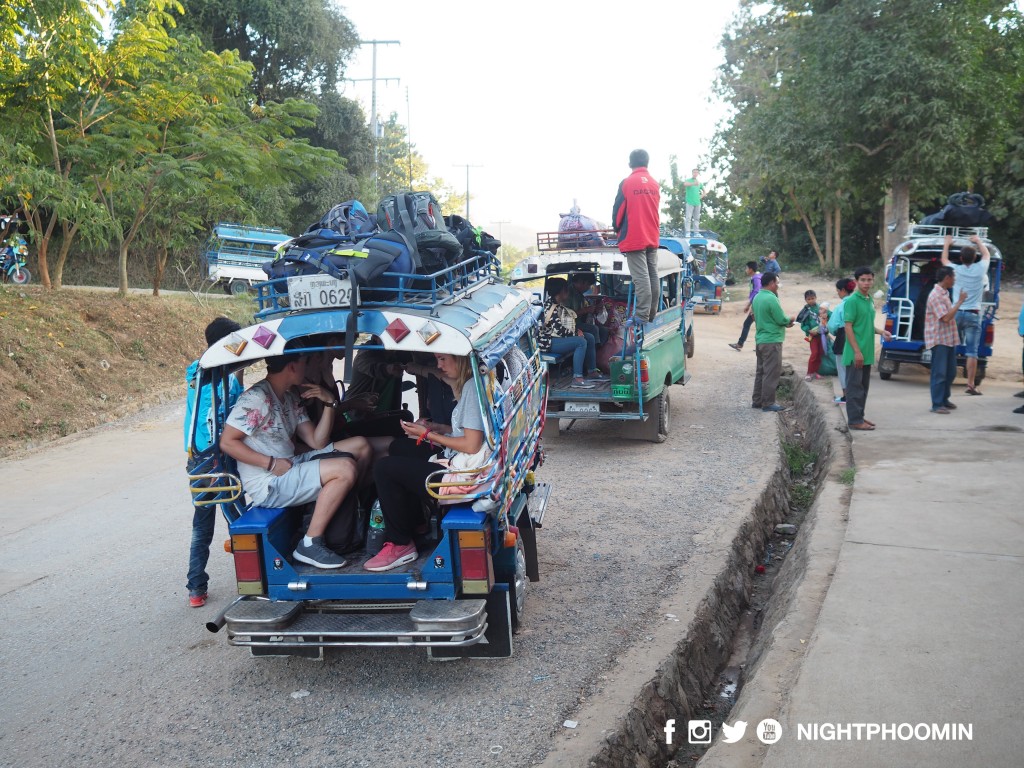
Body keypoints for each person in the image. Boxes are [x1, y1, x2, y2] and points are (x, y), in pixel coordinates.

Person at [220, 352, 373, 569]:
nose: (308, 368)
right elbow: (227, 442)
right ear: (292, 367)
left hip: (291, 464)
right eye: (305, 362)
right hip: (269, 481)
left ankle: (351, 507)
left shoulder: (289, 397)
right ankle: (310, 543)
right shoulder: (256, 398)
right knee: (344, 468)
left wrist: (329, 403)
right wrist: (270, 463)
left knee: (360, 445)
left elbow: (317, 441)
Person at [365, 354, 485, 571]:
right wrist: (438, 428)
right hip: (461, 459)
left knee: (384, 469)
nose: (439, 365)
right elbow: (469, 432)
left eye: (443, 359)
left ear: (461, 358)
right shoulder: (473, 382)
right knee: (399, 447)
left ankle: (401, 544)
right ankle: (417, 521)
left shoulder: (473, 389)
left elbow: (471, 444)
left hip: (465, 473)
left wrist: (427, 434)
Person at [183, 317, 244, 608]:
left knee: (202, 525)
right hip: (217, 459)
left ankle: (196, 588)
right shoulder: (219, 375)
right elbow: (229, 412)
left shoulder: (196, 371)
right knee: (239, 521)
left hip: (197, 459)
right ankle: (255, 578)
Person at [612, 149, 661, 322]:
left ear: (630, 163)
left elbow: (618, 211)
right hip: (652, 235)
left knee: (641, 278)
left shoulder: (627, 183)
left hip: (634, 237)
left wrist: (616, 227)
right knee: (653, 275)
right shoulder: (654, 184)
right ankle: (651, 313)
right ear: (647, 163)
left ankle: (641, 315)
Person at [842, 266, 893, 431]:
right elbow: (848, 327)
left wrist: (881, 332)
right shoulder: (852, 301)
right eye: (863, 280)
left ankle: (859, 416)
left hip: (867, 352)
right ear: (856, 281)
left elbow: (867, 324)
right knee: (854, 388)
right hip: (855, 352)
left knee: (863, 387)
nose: (866, 283)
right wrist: (857, 351)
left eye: (869, 280)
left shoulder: (869, 299)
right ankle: (854, 420)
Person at [941, 233, 990, 394]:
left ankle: (945, 381)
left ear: (961, 258)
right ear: (975, 257)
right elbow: (986, 254)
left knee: (950, 348)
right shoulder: (981, 269)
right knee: (972, 352)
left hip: (956, 314)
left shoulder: (956, 270)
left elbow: (944, 260)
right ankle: (970, 385)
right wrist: (978, 241)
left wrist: (947, 243)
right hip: (973, 315)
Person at [539, 277, 607, 389]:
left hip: (556, 339)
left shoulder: (557, 305)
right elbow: (559, 330)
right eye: (566, 290)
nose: (568, 293)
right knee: (581, 342)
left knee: (589, 337)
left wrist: (576, 331)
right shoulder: (550, 307)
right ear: (561, 291)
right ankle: (577, 378)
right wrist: (575, 333)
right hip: (549, 343)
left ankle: (592, 371)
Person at [751, 271, 795, 413]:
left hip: (760, 340)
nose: (778, 286)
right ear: (771, 283)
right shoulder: (771, 298)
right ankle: (768, 402)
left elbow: (755, 315)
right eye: (777, 283)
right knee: (771, 373)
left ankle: (757, 400)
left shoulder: (757, 297)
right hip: (772, 341)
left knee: (761, 371)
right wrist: (791, 319)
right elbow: (781, 319)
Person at [924, 266, 966, 414]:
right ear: (947, 278)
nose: (954, 280)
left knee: (950, 372)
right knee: (940, 373)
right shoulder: (935, 296)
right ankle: (937, 404)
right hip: (939, 339)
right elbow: (946, 318)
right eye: (953, 277)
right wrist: (959, 302)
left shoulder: (944, 293)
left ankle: (944, 399)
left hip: (948, 339)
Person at [827, 277, 856, 404]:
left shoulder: (840, 306)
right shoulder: (857, 303)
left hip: (843, 337)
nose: (838, 293)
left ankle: (846, 395)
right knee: (854, 368)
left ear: (843, 290)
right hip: (857, 337)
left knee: (842, 367)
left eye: (838, 291)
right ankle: (855, 394)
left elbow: (832, 326)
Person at [567, 272, 609, 345]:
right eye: (588, 285)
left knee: (604, 330)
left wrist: (594, 309)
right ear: (581, 282)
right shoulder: (568, 293)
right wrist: (585, 310)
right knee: (593, 329)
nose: (589, 288)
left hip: (580, 322)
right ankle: (595, 349)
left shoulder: (579, 294)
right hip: (570, 324)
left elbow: (584, 309)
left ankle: (600, 349)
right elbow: (566, 314)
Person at [729, 261, 762, 351]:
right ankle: (756, 346)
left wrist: (749, 305)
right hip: (758, 304)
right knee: (754, 325)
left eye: (746, 268)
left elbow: (756, 292)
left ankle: (742, 344)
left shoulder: (756, 278)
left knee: (752, 325)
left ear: (751, 269)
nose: (746, 270)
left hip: (758, 305)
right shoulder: (757, 277)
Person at [799, 290, 825, 380]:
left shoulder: (821, 308)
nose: (811, 300)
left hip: (822, 335)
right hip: (812, 336)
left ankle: (816, 372)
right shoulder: (805, 311)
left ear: (816, 298)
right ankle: (809, 373)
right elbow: (803, 324)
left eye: (812, 298)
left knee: (820, 353)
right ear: (805, 300)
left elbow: (827, 317)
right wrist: (809, 330)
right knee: (814, 353)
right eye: (809, 299)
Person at [682, 168, 704, 237]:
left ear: (698, 174)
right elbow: (685, 184)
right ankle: (687, 233)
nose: (695, 173)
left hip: (697, 203)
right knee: (688, 218)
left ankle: (696, 233)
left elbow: (705, 191)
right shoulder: (688, 180)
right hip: (690, 202)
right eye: (694, 172)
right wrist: (693, 183)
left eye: (696, 172)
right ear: (692, 173)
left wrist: (701, 196)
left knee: (697, 218)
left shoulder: (699, 183)